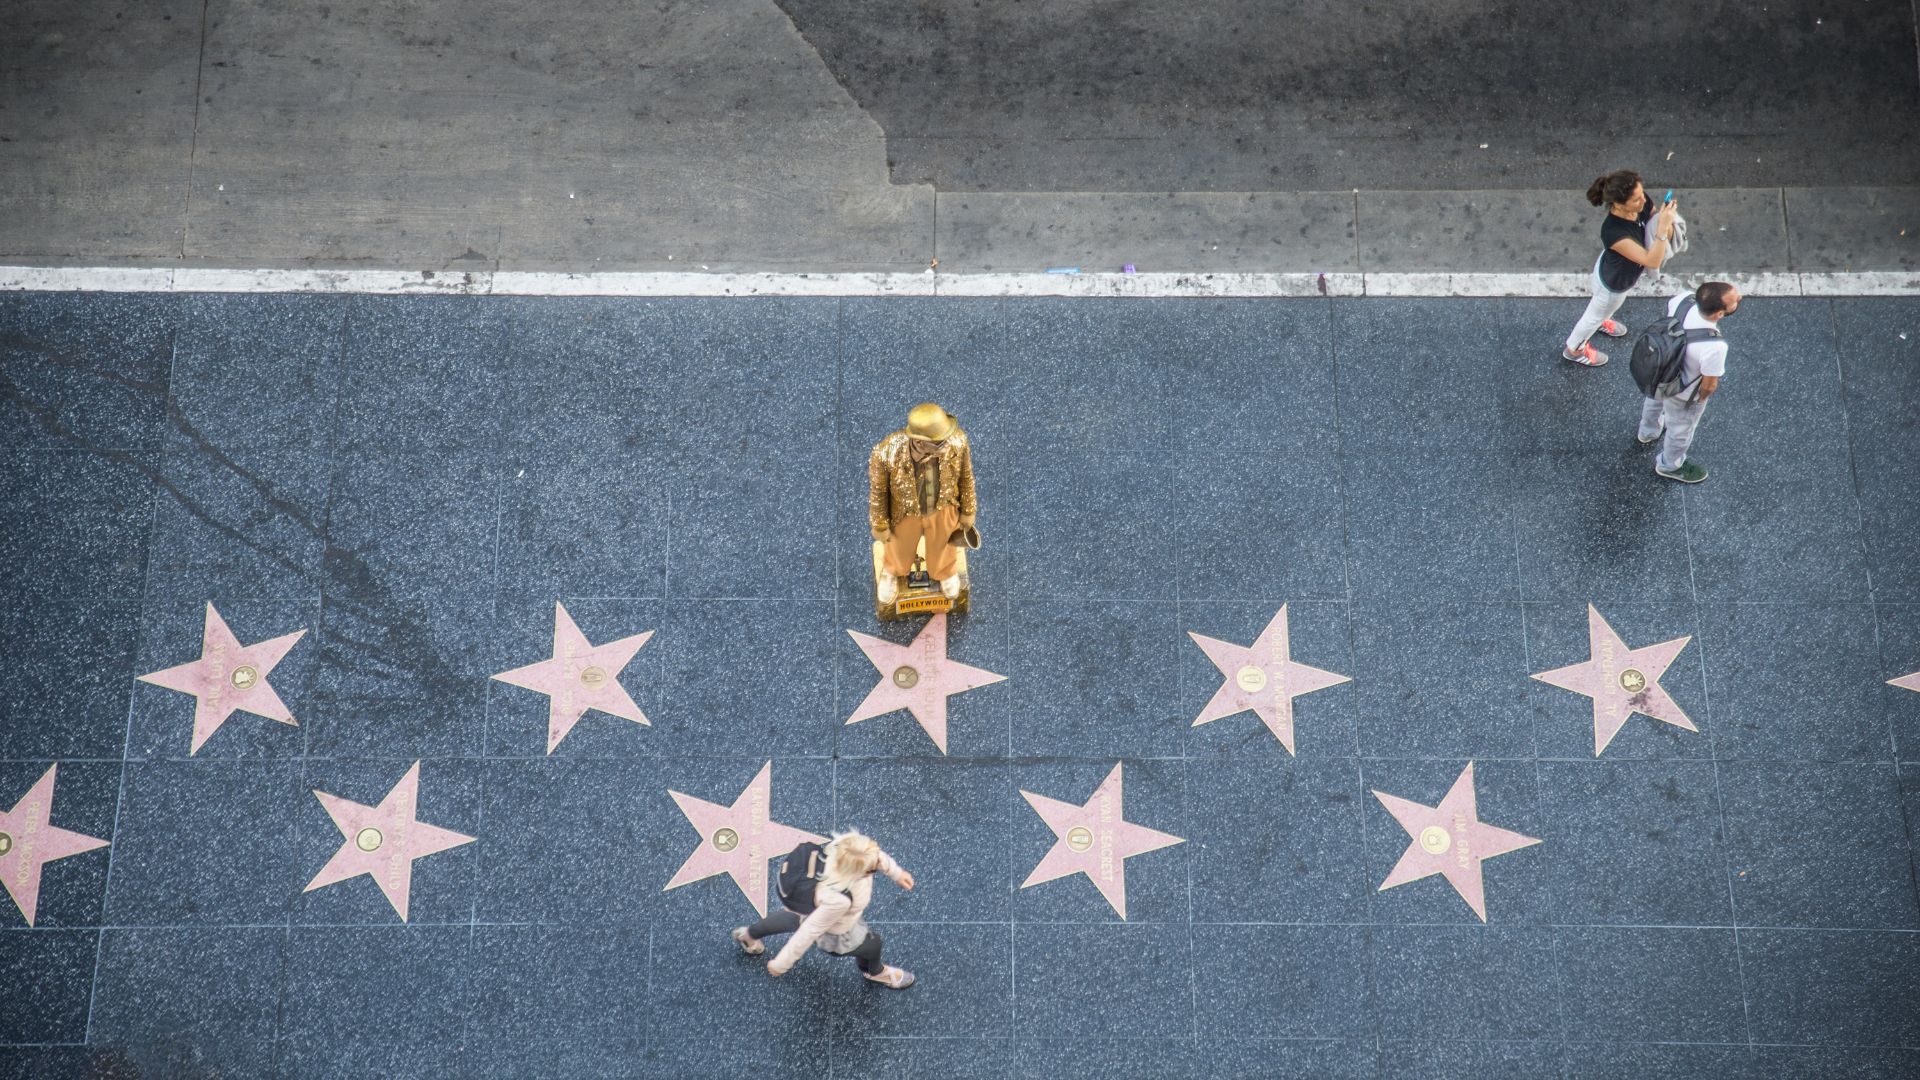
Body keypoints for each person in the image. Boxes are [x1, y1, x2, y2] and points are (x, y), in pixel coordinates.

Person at [731, 830, 918, 989]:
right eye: (873, 869)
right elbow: (810, 931)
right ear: (858, 872)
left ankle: (747, 936)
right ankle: (875, 972)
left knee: (792, 918)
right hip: (836, 930)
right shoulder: (839, 899)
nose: (879, 863)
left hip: (811, 908)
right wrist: (781, 964)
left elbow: (873, 856)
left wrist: (896, 873)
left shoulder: (842, 848)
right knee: (873, 944)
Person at [1562, 170, 1680, 367]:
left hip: (1612, 269)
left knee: (1603, 310)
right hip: (1614, 283)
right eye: (1636, 200)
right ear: (1618, 204)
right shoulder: (1613, 231)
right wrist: (1663, 226)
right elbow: (1652, 260)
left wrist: (1663, 221)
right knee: (1593, 317)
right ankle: (1574, 349)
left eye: (1642, 194)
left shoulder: (1640, 203)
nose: (1643, 201)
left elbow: (1653, 222)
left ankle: (1603, 319)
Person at [869, 403, 977, 605]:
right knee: (898, 547)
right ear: (918, 442)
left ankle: (945, 571)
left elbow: (966, 478)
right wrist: (880, 524)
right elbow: (879, 492)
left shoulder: (958, 442)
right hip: (904, 511)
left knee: (944, 545)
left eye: (946, 437)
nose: (946, 445)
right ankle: (892, 571)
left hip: (944, 506)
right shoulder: (885, 453)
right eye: (938, 443)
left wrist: (968, 510)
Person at [1639, 281, 1740, 483]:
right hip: (1682, 391)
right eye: (1734, 301)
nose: (1739, 299)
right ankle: (1670, 464)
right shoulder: (1715, 346)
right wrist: (1698, 402)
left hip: (1660, 373)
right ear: (1719, 314)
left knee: (1654, 401)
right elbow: (1709, 385)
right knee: (1681, 429)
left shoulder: (1681, 300)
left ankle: (1648, 431)